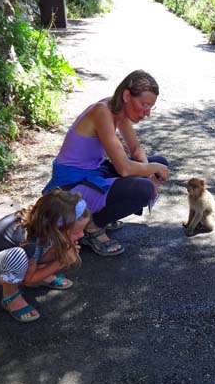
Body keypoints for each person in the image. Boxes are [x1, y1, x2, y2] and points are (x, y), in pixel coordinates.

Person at [42, 69, 171, 256]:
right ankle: (92, 227)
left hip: (93, 173)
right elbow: (124, 169)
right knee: (144, 188)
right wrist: (151, 171)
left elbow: (135, 150)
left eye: (150, 107)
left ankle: (98, 216)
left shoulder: (118, 109)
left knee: (159, 163)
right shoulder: (102, 111)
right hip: (69, 187)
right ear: (127, 95)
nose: (147, 113)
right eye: (144, 105)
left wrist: (151, 172)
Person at [0, 189, 90, 322]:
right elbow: (29, 280)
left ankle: (41, 273)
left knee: (58, 246)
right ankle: (11, 296)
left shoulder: (43, 223)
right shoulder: (28, 241)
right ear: (55, 229)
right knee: (18, 255)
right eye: (76, 232)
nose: (82, 235)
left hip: (13, 257)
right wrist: (60, 261)